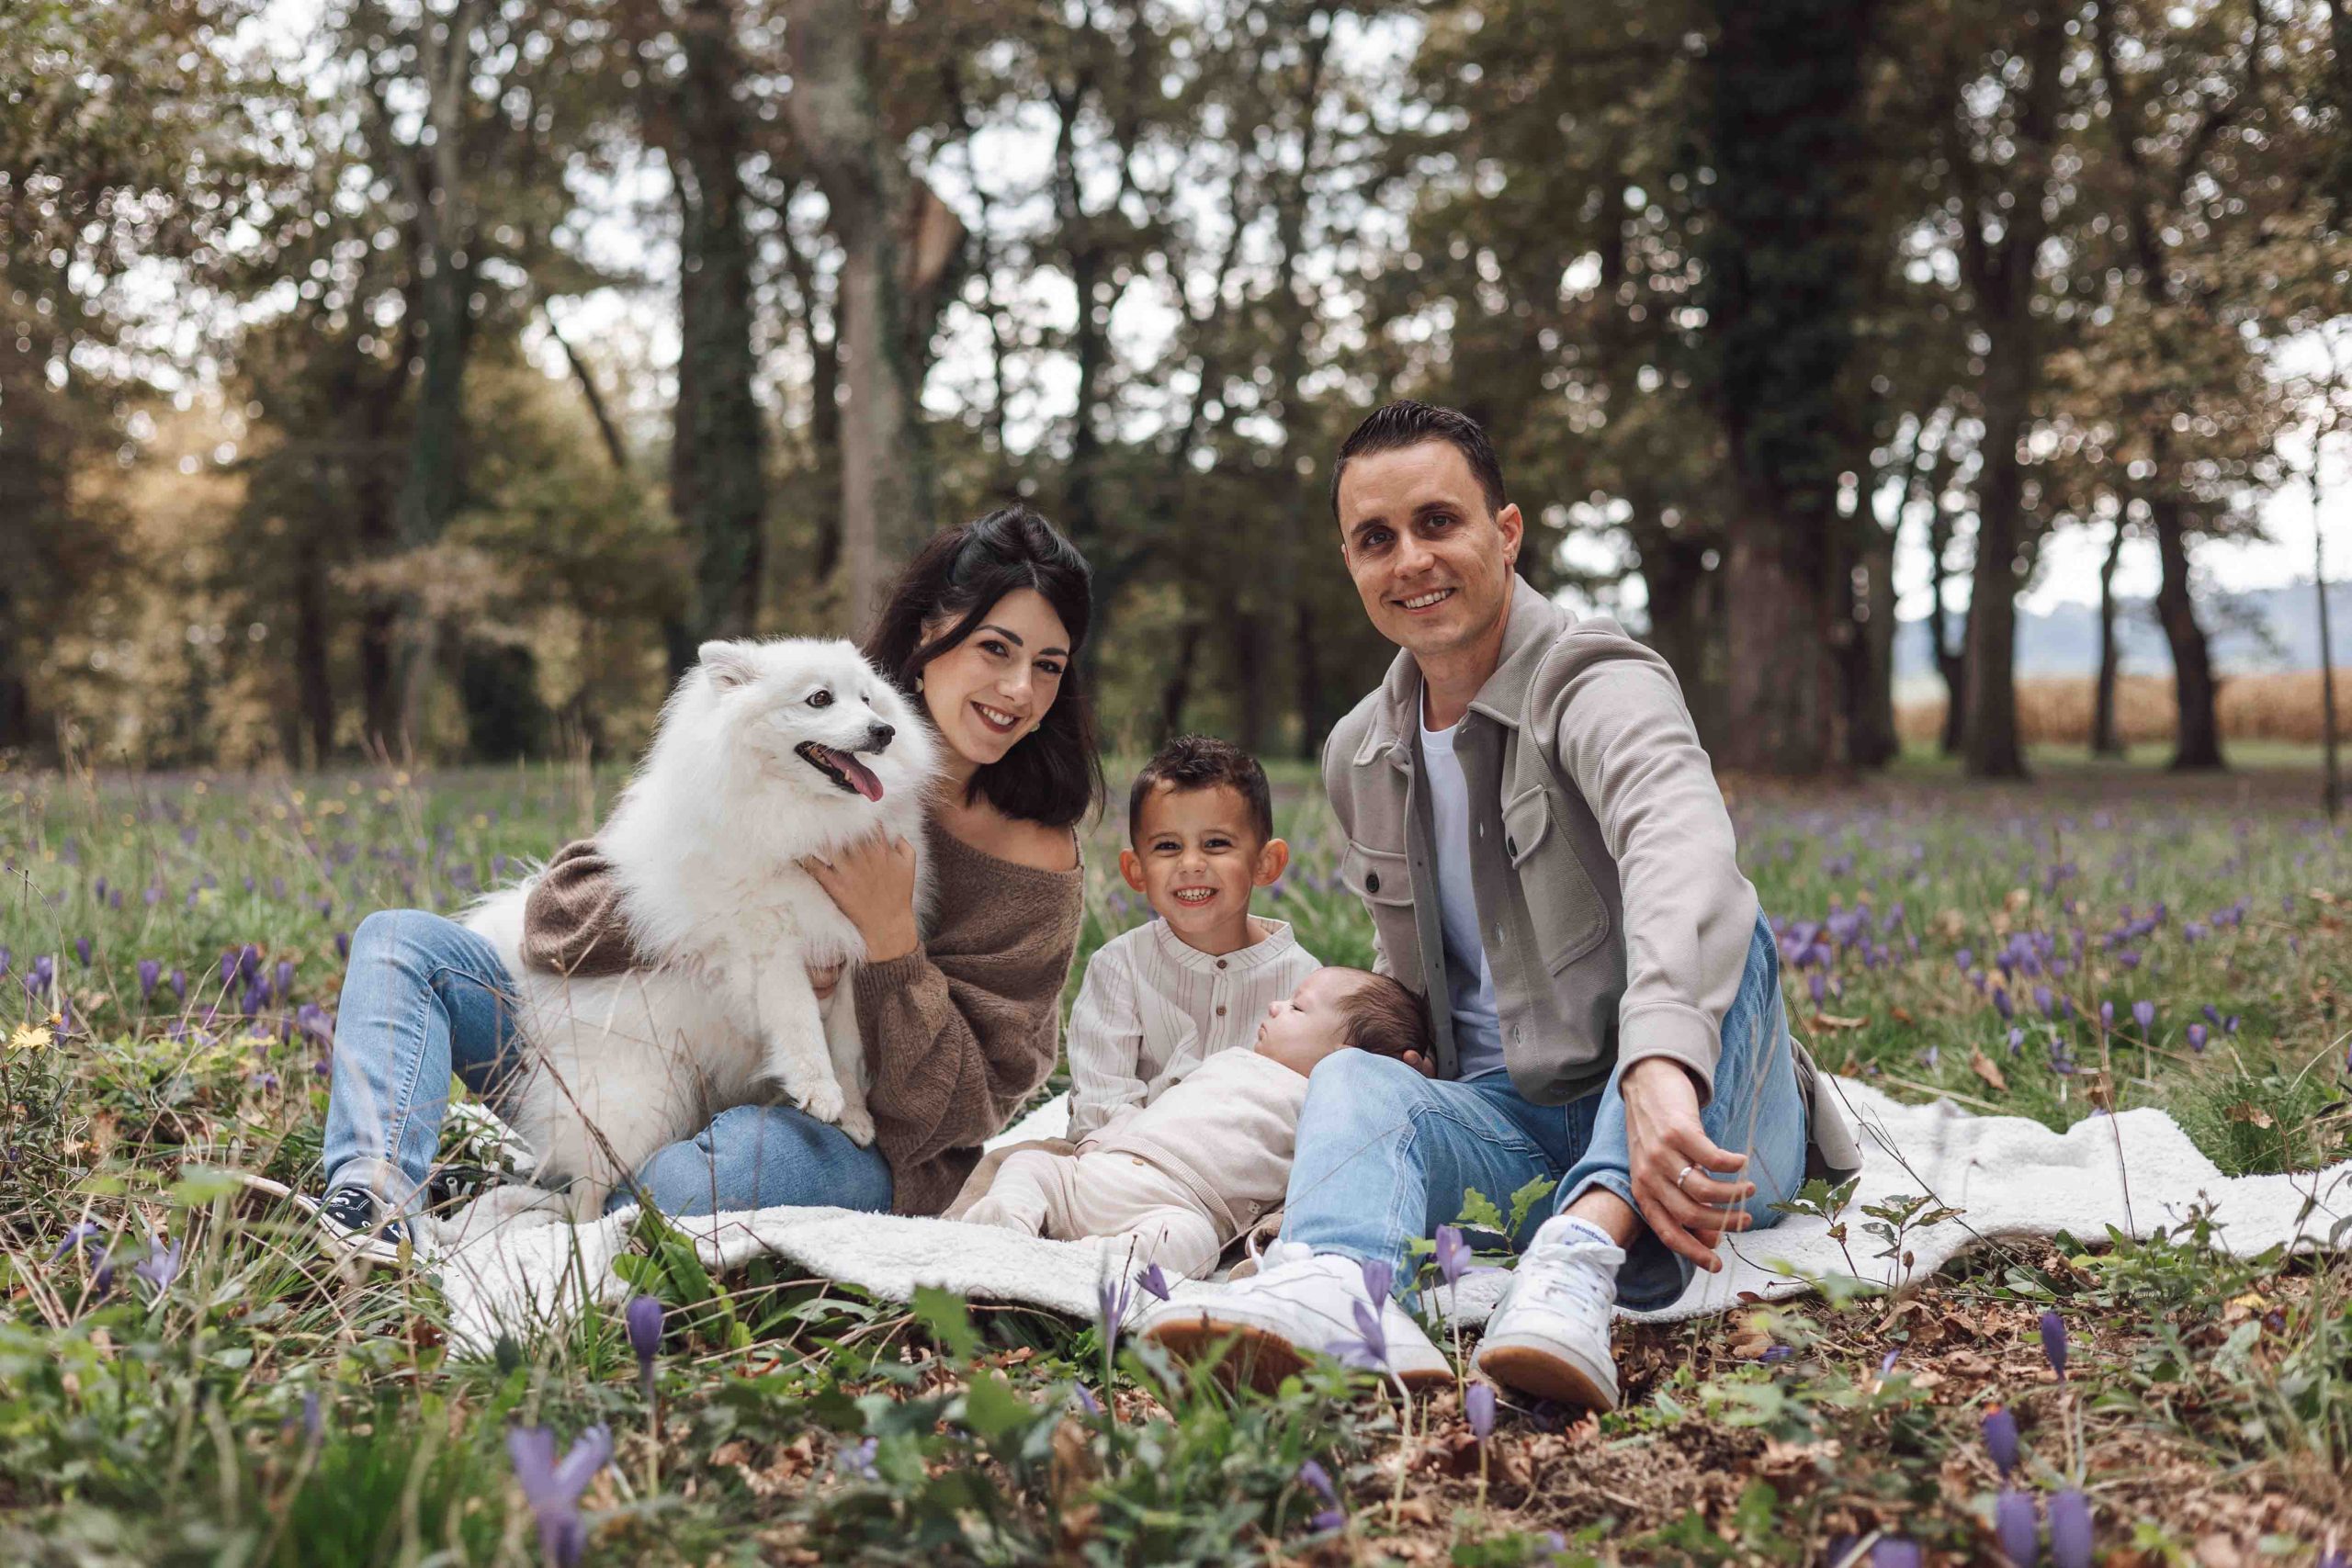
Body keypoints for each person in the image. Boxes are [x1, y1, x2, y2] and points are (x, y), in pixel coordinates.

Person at [1136, 400, 1861, 1407]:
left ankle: (1576, 1264)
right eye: (1376, 539)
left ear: (1505, 532)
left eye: (1438, 522)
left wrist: (1657, 1064)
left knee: (1738, 929)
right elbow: (1411, 981)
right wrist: (1339, 1087)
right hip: (1504, 1121)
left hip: (1697, 1121)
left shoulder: (1597, 679)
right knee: (1354, 1070)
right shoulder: (1359, 751)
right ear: (1350, 563)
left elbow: (1681, 851)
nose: (1411, 561)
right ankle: (1338, 1285)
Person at [312, 504, 1101, 1259]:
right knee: (401, 943)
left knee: (690, 1186)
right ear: (931, 630)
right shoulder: (776, 741)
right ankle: (373, 1196)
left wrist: (890, 942)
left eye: (1048, 666)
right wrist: (727, 928)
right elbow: (557, 916)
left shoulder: (1035, 860)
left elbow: (968, 1110)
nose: (1019, 689)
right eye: (996, 649)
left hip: (841, 1137)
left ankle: (570, 1197)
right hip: (631, 1064)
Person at [962, 965, 1431, 1281]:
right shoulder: (1231, 1059)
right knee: (1030, 1164)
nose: (1275, 1006)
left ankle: (1092, 1262)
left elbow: (1324, 1180)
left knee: (1194, 1243)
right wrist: (1107, 1135)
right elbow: (1165, 1109)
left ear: (1348, 1059)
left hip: (1177, 1206)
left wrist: (1399, 1079)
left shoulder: (1324, 1106)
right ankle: (1007, 1220)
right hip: (1103, 1171)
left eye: (1297, 1008)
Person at [1063, 734, 1323, 1141]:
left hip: (1252, 1166)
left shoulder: (1304, 983)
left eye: (1216, 843)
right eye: (1167, 846)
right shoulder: (1120, 968)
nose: (1190, 864)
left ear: (1266, 863)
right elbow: (1102, 1107)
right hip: (1128, 1162)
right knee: (1022, 1166)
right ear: (1136, 871)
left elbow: (1309, 1108)